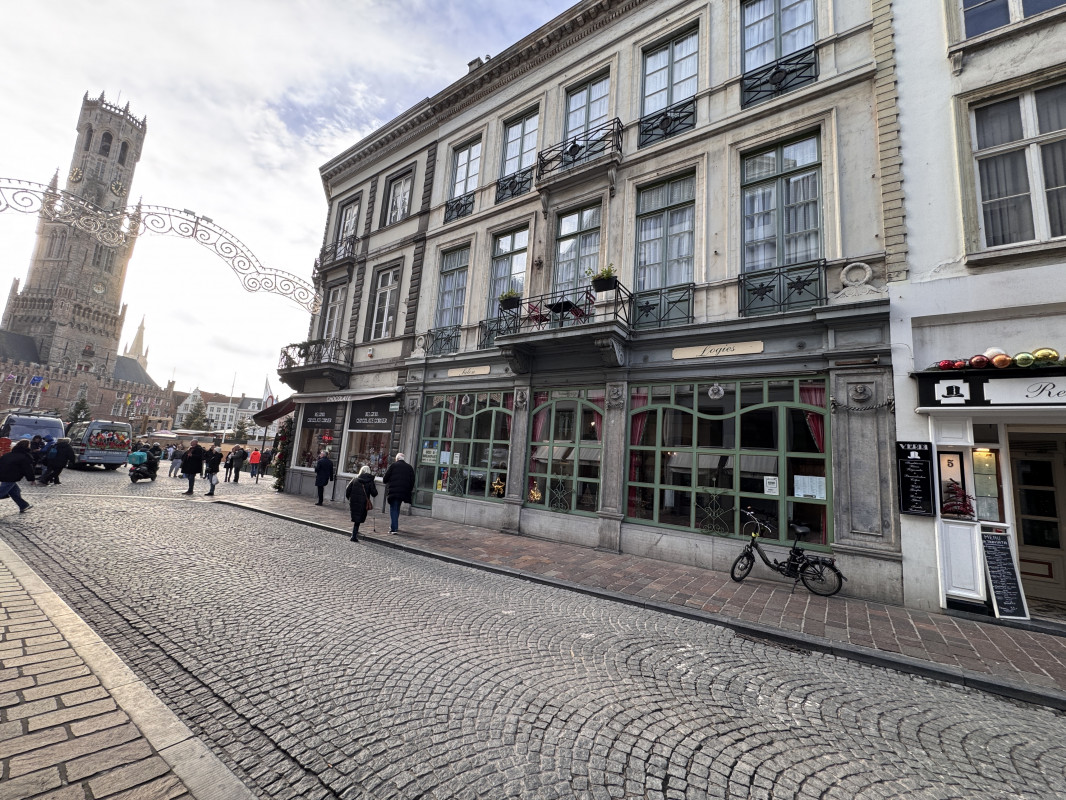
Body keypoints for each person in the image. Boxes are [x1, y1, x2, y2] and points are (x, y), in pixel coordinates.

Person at [0, 439, 37, 512]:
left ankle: (23, 505)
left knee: (15, 491)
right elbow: (28, 469)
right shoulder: (25, 456)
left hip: (4, 475)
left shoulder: (7, 455)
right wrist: (31, 479)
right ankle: (23, 505)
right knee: (2, 492)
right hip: (12, 477)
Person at [382, 452, 415, 534]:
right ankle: (394, 525)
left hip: (393, 491)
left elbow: (385, 479)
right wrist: (409, 490)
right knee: (397, 508)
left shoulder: (393, 466)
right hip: (403, 492)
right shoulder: (409, 467)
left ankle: (394, 528)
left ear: (396, 459)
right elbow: (412, 481)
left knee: (393, 509)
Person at [344, 465, 377, 542]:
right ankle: (354, 535)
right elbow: (374, 493)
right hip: (363, 502)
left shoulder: (355, 479)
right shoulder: (370, 481)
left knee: (356, 517)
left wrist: (349, 498)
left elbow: (348, 489)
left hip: (354, 501)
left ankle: (355, 532)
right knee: (359, 517)